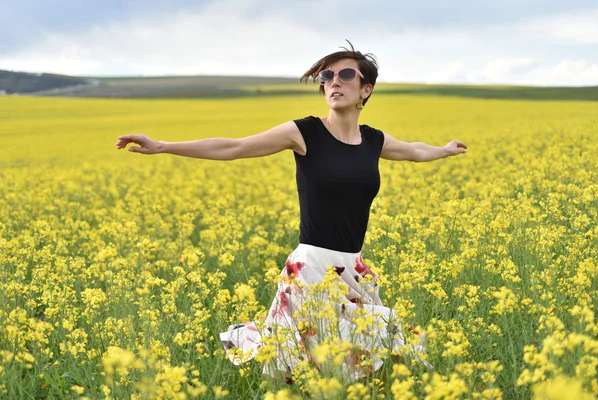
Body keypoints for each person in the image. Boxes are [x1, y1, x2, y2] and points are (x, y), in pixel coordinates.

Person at [115, 42, 467, 384]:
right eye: (326, 77)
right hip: (311, 269)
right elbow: (234, 147)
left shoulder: (373, 140)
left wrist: (445, 150)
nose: (333, 83)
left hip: (354, 269)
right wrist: (162, 146)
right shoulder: (305, 133)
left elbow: (413, 151)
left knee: (378, 349)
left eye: (346, 75)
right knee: (320, 360)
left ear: (366, 90)